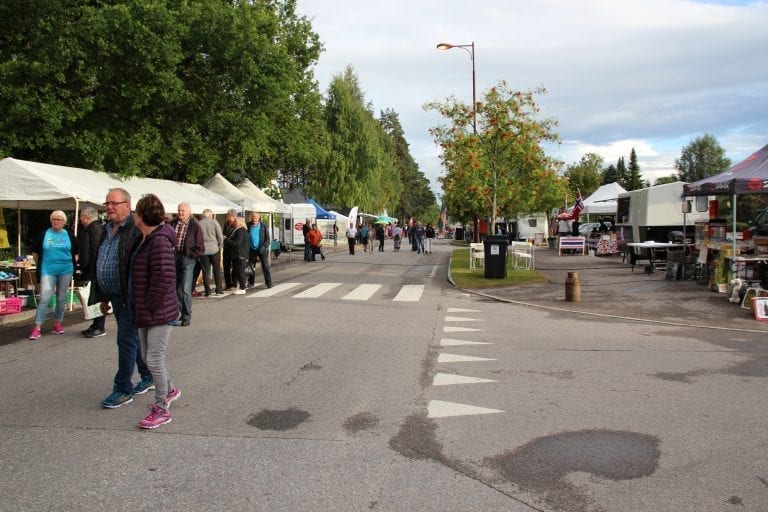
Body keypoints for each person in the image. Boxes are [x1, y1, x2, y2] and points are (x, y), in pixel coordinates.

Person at [89, 188, 154, 408]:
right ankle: (148, 375)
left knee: (126, 339)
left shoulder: (135, 230)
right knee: (132, 339)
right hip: (114, 295)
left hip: (130, 297)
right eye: (107, 203)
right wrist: (102, 296)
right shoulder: (106, 229)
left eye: (114, 203)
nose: (109, 207)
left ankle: (123, 388)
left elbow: (142, 265)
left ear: (127, 205)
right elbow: (102, 261)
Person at [130, 193, 181, 429]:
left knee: (154, 359)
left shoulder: (158, 240)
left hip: (157, 310)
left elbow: (163, 277)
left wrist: (150, 304)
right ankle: (169, 389)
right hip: (147, 308)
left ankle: (162, 408)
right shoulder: (146, 238)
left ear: (141, 216)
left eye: (135, 213)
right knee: (146, 357)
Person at [29, 210, 79, 340]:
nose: (56, 221)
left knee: (61, 298)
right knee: (45, 298)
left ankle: (57, 323)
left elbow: (76, 253)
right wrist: (42, 265)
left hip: (65, 270)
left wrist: (71, 264)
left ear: (64, 222)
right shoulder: (44, 234)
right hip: (48, 270)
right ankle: (37, 327)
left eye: (59, 219)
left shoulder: (69, 235)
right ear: (50, 221)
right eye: (54, 219)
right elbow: (35, 253)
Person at [169, 203, 204, 326]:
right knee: (176, 289)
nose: (181, 213)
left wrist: (192, 255)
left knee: (185, 288)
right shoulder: (172, 224)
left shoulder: (195, 226)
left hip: (188, 258)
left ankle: (186, 317)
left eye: (183, 211)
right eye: (179, 210)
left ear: (189, 212)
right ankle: (181, 313)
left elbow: (200, 246)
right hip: (174, 257)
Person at [77, 207, 106, 338]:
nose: (79, 219)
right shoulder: (92, 229)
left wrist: (91, 269)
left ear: (86, 216)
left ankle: (99, 326)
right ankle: (96, 324)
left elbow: (95, 251)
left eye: (80, 216)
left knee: (97, 298)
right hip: (92, 269)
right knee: (94, 297)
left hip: (94, 270)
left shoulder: (95, 229)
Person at [197, 208, 226, 297]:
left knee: (205, 271)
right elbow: (220, 236)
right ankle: (218, 290)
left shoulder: (198, 224)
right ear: (210, 215)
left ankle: (207, 291)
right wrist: (220, 246)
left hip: (203, 251)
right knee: (217, 270)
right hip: (214, 249)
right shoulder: (214, 222)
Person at [223, 212, 249, 294]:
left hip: (239, 254)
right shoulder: (237, 229)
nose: (235, 222)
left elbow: (237, 243)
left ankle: (242, 288)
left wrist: (226, 239)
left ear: (240, 222)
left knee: (240, 271)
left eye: (237, 221)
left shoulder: (241, 230)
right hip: (236, 254)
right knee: (236, 271)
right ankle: (238, 286)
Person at [246, 212, 273, 289]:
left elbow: (268, 239)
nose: (253, 218)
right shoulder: (248, 225)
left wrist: (264, 247)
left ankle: (269, 283)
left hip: (261, 249)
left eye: (255, 217)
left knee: (265, 266)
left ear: (258, 218)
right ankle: (251, 282)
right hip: (251, 249)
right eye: (252, 217)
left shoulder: (263, 226)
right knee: (251, 266)